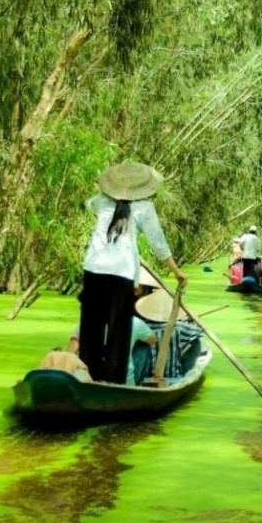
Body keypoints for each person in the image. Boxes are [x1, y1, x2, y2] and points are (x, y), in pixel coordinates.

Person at [78, 162, 186, 383]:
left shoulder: (102, 201)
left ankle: (88, 377)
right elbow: (158, 242)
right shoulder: (144, 208)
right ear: (141, 188)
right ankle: (113, 382)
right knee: (119, 333)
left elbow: (87, 204)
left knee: (91, 329)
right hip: (121, 273)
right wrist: (176, 272)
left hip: (94, 268)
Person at [133, 290, 204, 381]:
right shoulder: (179, 327)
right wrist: (189, 323)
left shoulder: (141, 327)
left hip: (143, 377)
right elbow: (198, 332)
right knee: (195, 341)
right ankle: (185, 372)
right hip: (173, 376)